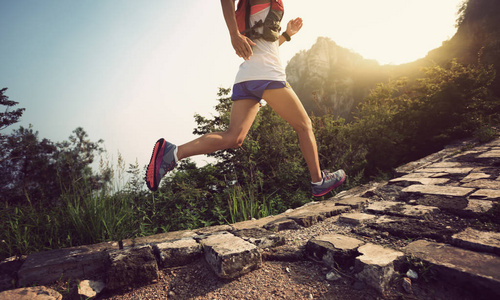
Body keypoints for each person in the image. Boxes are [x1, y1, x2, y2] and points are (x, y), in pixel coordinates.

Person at [145, 0, 345, 197]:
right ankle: (318, 181)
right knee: (304, 126)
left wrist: (287, 34)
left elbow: (265, 45)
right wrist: (233, 35)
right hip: (268, 75)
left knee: (234, 137)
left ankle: (173, 153)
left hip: (247, 75)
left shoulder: (259, 10)